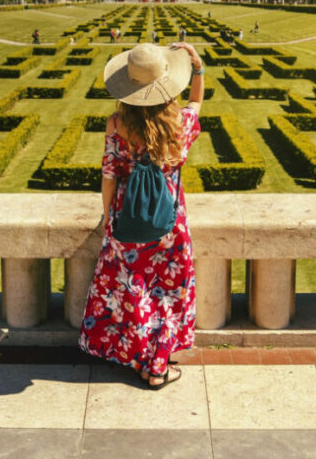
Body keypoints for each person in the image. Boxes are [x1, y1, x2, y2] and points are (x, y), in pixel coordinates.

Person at [80, 41, 205, 389]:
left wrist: (109, 219)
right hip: (171, 220)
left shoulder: (116, 123)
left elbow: (109, 175)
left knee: (135, 289)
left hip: (128, 218)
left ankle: (140, 358)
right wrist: (197, 67)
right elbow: (196, 101)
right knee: (168, 291)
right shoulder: (179, 124)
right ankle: (159, 364)